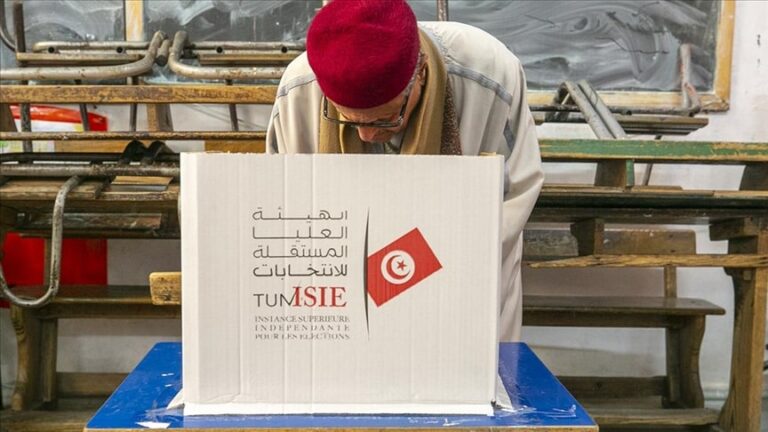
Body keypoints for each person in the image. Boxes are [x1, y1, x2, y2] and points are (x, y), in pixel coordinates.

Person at [266, 0, 543, 341]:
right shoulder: (298, 92)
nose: (366, 136)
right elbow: (286, 212)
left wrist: (401, 271)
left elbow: (513, 197)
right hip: (342, 292)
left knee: (466, 362)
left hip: (459, 273)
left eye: (385, 119)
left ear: (421, 72)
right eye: (349, 121)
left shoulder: (489, 74)